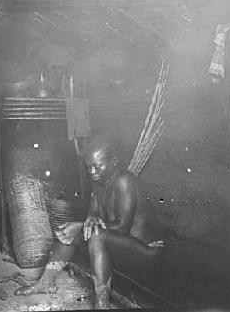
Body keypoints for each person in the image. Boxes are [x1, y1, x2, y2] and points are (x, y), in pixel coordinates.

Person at [14, 132, 164, 309]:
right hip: (122, 249)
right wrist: (83, 224)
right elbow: (92, 213)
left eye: (98, 167)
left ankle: (102, 305)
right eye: (89, 167)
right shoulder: (99, 183)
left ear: (114, 162)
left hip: (147, 253)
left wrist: (80, 226)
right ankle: (45, 282)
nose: (93, 172)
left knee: (94, 234)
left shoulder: (124, 181)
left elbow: (123, 227)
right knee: (69, 232)